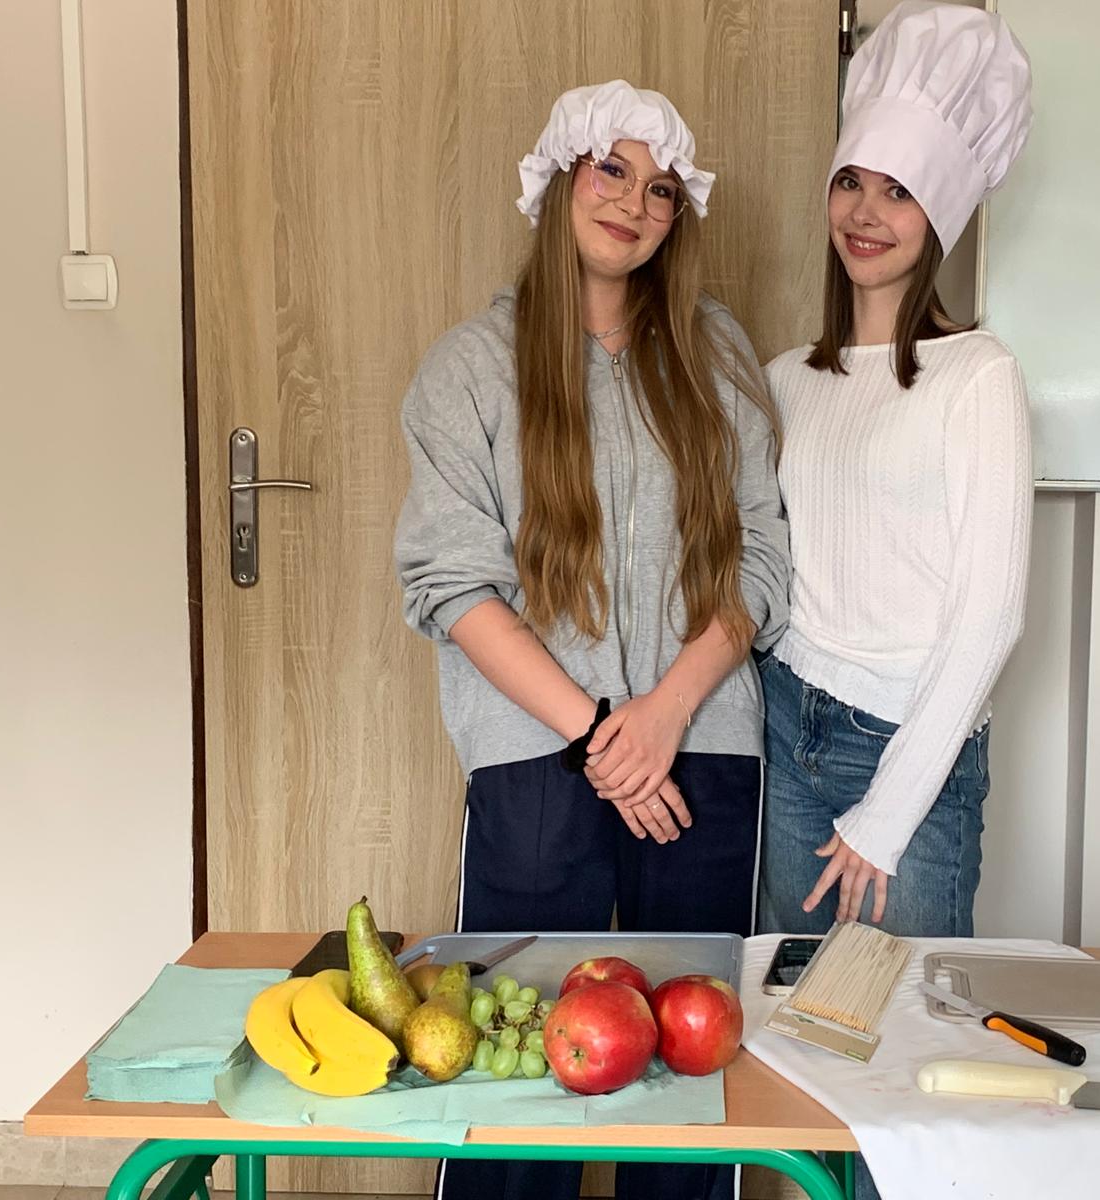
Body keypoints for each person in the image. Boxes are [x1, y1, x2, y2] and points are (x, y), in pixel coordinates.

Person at [394, 79, 788, 1200]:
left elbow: (761, 559)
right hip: (535, 755)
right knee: (518, 1077)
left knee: (688, 1084)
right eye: (612, 170)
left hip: (700, 749)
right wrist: (602, 735)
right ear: (561, 178)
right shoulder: (469, 368)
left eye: (661, 189)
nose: (633, 203)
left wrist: (662, 716)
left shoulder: (715, 356)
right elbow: (451, 582)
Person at [757, 0, 1035, 941]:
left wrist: (886, 815)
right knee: (791, 1003)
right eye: (850, 182)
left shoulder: (978, 376)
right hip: (785, 722)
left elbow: (990, 618)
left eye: (899, 192)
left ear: (940, 215)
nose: (865, 214)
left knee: (900, 1011)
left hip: (906, 746)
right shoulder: (784, 379)